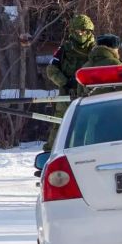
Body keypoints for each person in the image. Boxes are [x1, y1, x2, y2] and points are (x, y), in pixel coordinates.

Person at [43, 14, 95, 151]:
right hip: (67, 94)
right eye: (77, 31)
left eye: (84, 31)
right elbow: (51, 69)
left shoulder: (96, 50)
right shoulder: (64, 49)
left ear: (89, 31)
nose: (81, 34)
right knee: (60, 125)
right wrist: (65, 82)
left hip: (90, 94)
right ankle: (49, 155)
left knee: (91, 127)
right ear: (72, 32)